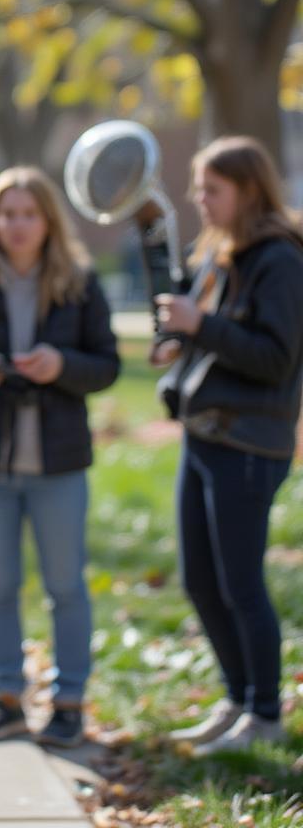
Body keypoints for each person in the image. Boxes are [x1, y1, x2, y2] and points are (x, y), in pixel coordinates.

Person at [0, 167, 119, 747]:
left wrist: (62, 365)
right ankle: (6, 697)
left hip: (59, 464)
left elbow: (108, 365)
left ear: (48, 221)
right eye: (6, 214)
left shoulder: (79, 283)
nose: (17, 225)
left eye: (28, 214)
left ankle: (68, 703)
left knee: (66, 587)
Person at [153, 136, 303, 756]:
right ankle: (239, 701)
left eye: (211, 189)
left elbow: (274, 357)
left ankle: (264, 715)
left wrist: (200, 327)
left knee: (241, 583)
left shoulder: (280, 259)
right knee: (201, 581)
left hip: (247, 442)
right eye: (197, 186)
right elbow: (213, 339)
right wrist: (179, 343)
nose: (199, 199)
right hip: (206, 433)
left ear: (248, 190)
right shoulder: (223, 253)